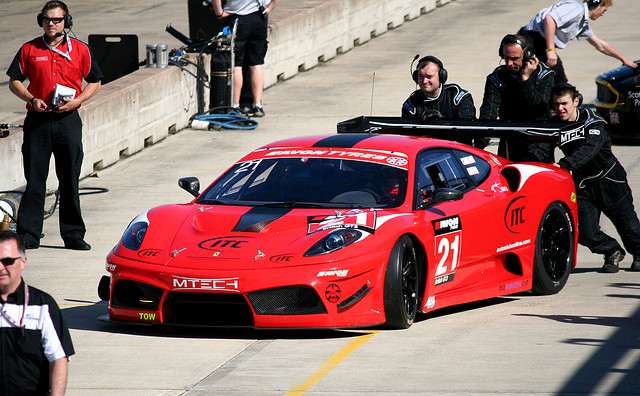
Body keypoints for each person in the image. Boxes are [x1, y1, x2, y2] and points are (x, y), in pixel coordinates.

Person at [6, 1, 103, 251]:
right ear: (41, 21)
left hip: (67, 121)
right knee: (35, 180)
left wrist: (78, 101)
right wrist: (31, 98)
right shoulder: (29, 49)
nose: (52, 24)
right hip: (38, 121)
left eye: (57, 19)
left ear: (66, 22)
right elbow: (14, 81)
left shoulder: (81, 50)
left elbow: (95, 81)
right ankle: (29, 234)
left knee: (69, 178)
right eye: (48, 19)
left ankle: (73, 234)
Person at [551, 83, 640, 273]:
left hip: (610, 179)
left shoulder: (594, 123)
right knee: (584, 231)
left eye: (564, 103)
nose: (560, 109)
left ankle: (639, 253)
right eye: (556, 104)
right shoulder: (553, 124)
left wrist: (564, 165)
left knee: (627, 223)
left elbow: (589, 150)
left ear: (576, 102)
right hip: (582, 184)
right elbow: (540, 144)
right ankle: (612, 251)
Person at [0, 230, 75, 394]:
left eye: (7, 261)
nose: (1, 267)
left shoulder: (42, 305)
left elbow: (58, 358)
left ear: (23, 262)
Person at [519, 0, 637, 84]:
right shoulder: (576, 9)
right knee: (554, 79)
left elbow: (600, 45)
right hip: (531, 40)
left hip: (540, 43)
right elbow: (550, 19)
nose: (602, 14)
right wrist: (550, 50)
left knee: (560, 81)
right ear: (598, 3)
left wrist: (624, 59)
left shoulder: (581, 23)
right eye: (604, 10)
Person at [479, 34, 556, 162]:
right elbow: (489, 112)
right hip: (510, 139)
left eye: (514, 59)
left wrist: (525, 80)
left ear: (526, 55)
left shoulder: (544, 76)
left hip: (538, 139)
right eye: (506, 58)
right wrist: (479, 144)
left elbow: (538, 109)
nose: (509, 63)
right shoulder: (498, 77)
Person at [211, 0, 280, 117]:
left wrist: (219, 13)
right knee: (256, 64)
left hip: (237, 18)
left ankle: (235, 105)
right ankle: (257, 105)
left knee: (236, 64)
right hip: (259, 19)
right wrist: (268, 9)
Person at [402, 55, 486, 148]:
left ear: (441, 77)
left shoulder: (458, 98)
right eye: (420, 76)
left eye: (429, 77)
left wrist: (442, 125)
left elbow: (466, 135)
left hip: (456, 152)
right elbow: (408, 140)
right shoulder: (411, 105)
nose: (424, 81)